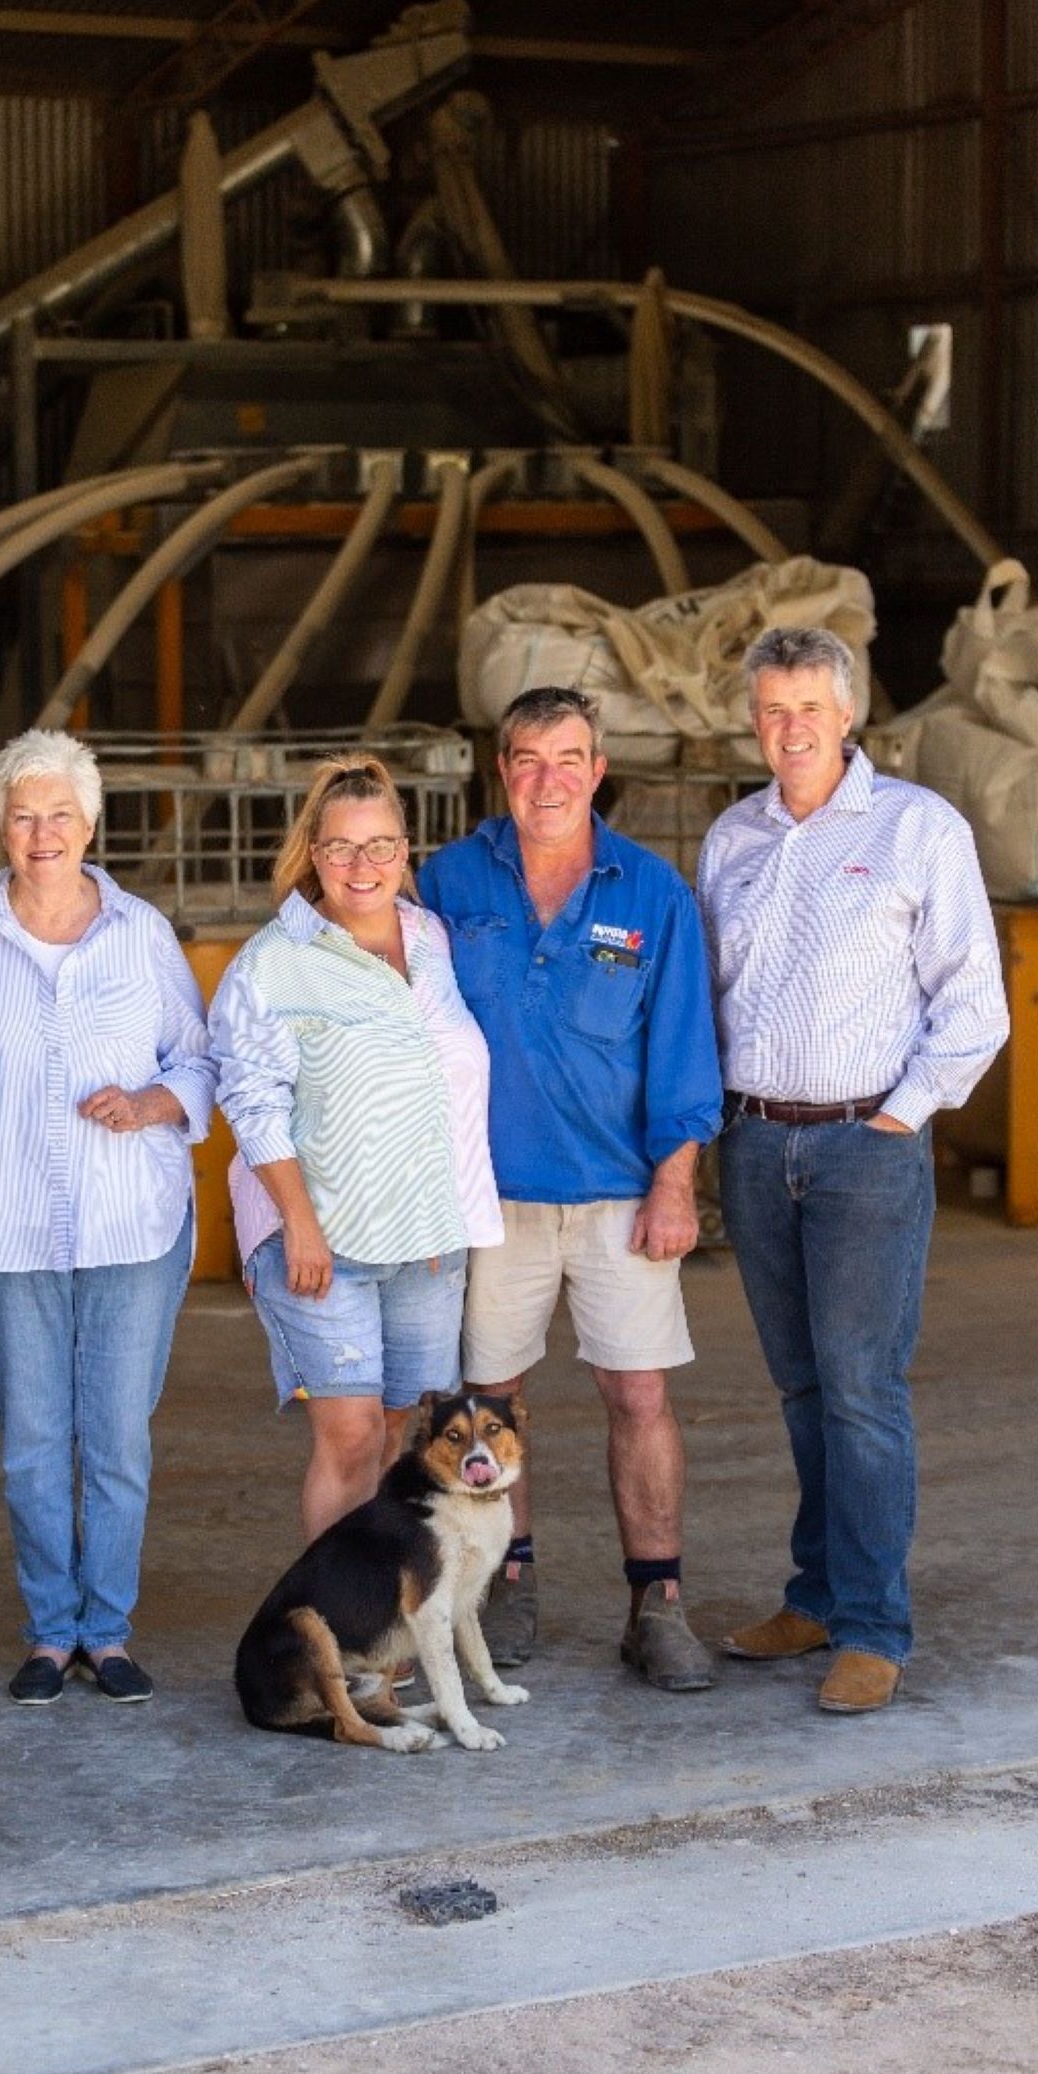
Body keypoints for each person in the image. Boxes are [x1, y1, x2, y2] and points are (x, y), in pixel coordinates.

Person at [696, 625, 1009, 1713]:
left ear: (849, 713)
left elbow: (975, 1000)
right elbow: (714, 997)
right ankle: (818, 1595)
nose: (791, 729)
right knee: (802, 1388)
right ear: (753, 718)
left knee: (865, 1391)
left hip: (863, 1145)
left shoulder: (918, 828)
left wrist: (902, 1117)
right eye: (773, 709)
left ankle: (874, 1626)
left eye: (810, 710)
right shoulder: (730, 838)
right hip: (755, 1140)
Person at [419, 687, 722, 1689]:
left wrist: (676, 1181)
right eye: (526, 758)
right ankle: (508, 1579)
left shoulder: (650, 892)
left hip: (619, 1197)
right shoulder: (449, 880)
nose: (547, 778)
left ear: (598, 770)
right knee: (488, 1400)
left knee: (637, 1392)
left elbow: (684, 1050)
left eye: (569, 757)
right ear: (499, 768)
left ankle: (658, 1601)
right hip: (486, 1199)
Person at [0, 729, 215, 1707]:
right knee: (28, 1442)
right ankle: (48, 1632)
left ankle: (108, 1630)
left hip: (130, 1229)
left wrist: (148, 1105)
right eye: (24, 815)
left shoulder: (141, 933)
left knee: (115, 1440)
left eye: (60, 814)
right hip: (9, 1230)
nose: (43, 831)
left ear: (91, 822)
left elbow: (198, 1057)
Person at [210, 754, 503, 1542]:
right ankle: (334, 1634)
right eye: (340, 847)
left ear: (405, 851)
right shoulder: (275, 961)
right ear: (313, 852)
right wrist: (298, 1221)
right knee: (349, 1436)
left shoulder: (431, 939)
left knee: (398, 1437)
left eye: (380, 845)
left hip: (425, 1241)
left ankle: (379, 1622)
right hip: (323, 1239)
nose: (360, 865)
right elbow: (250, 1098)